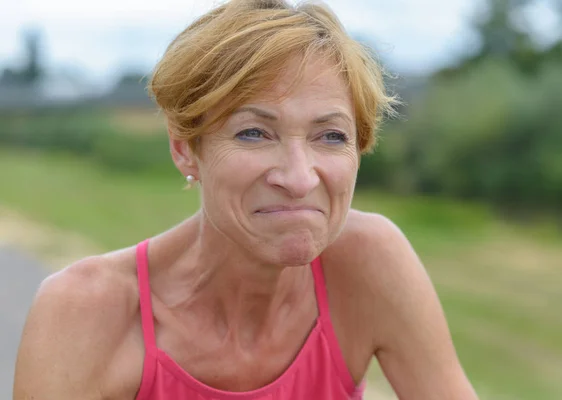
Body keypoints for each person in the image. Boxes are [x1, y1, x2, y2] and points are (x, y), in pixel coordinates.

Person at [13, 0, 479, 399]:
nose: (298, 178)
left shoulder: (369, 262)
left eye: (330, 136)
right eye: (254, 133)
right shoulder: (83, 314)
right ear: (185, 149)